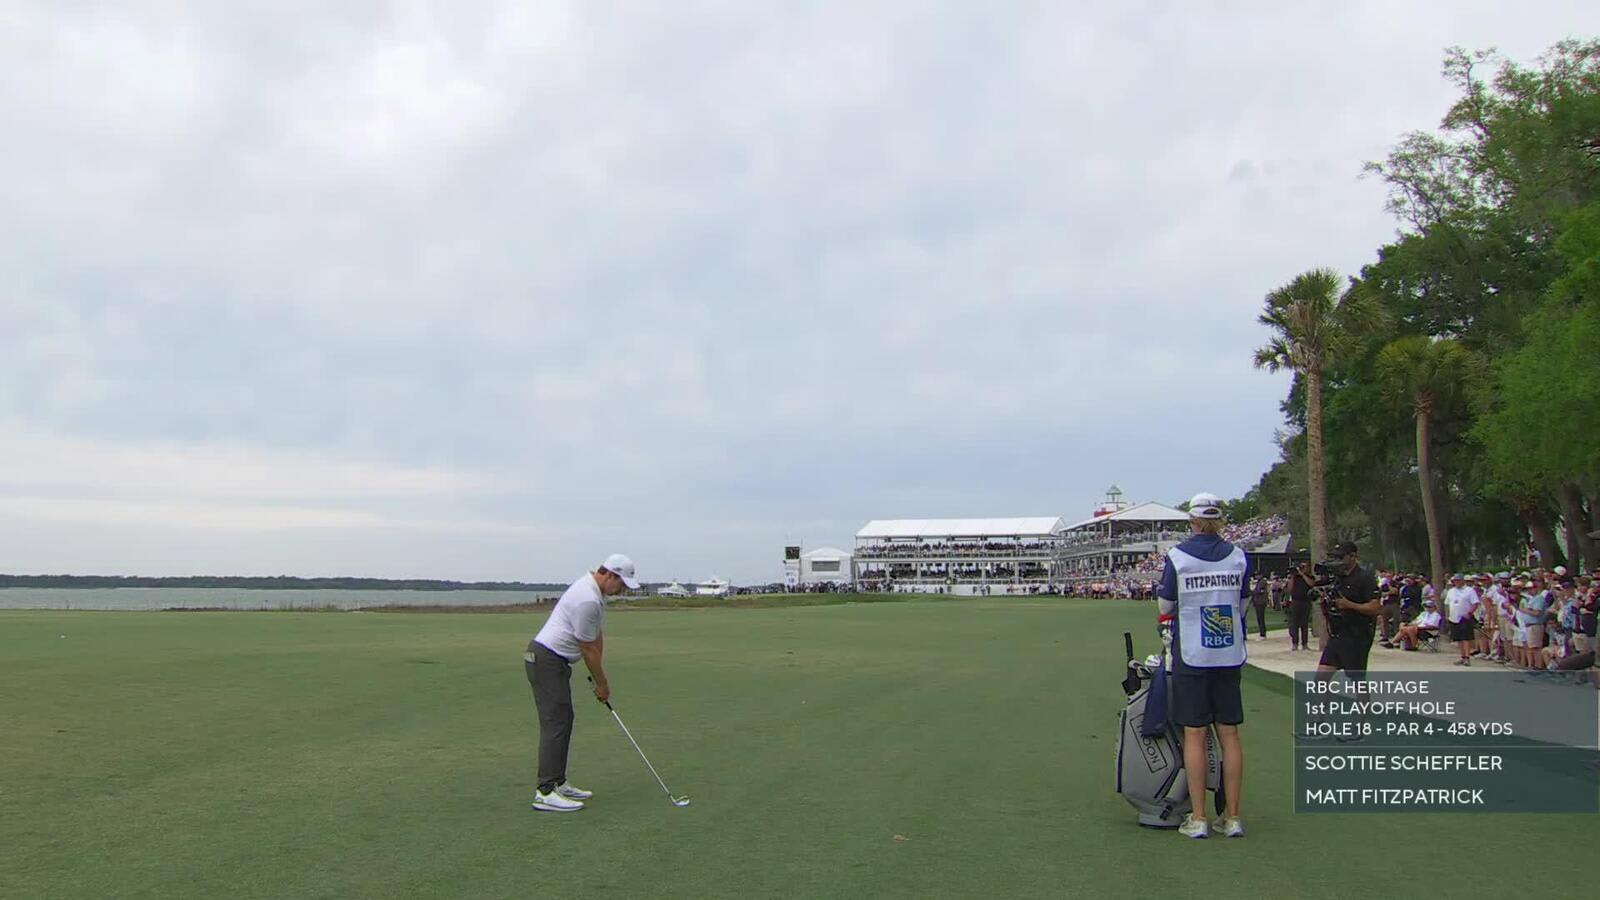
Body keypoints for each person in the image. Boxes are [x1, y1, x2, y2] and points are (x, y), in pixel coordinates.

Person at [1157, 492, 1249, 839]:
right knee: (1230, 733)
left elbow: (1166, 602)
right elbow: (1241, 605)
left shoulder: (1178, 557)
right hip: (1228, 651)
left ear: (1192, 520)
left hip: (1192, 652)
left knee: (1194, 734)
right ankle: (1233, 816)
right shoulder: (1238, 556)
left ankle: (1199, 817)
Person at [525, 553, 640, 813]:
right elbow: (587, 648)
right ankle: (544, 791)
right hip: (545, 660)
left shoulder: (596, 594)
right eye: (621, 584)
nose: (622, 591)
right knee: (556, 723)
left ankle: (558, 782)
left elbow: (596, 637)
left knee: (564, 720)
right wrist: (602, 684)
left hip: (554, 662)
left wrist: (601, 671)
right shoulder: (587, 598)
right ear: (609, 575)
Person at [1316, 541, 1381, 680]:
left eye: (1341, 557)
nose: (1338, 561)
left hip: (1357, 635)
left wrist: (1349, 605)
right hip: (1338, 633)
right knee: (1320, 679)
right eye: (1336, 557)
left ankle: (1364, 703)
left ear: (1353, 556)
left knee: (1357, 681)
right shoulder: (1338, 578)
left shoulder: (1365, 578)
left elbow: (1375, 608)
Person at [1443, 573, 1480, 666]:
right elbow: (1447, 604)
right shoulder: (1451, 591)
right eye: (1455, 581)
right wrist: (1447, 616)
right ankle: (1462, 656)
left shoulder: (1469, 590)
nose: (1457, 582)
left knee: (1465, 638)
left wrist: (1470, 613)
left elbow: (1475, 603)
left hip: (1464, 617)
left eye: (1459, 580)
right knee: (1458, 638)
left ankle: (1467, 657)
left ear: (1463, 581)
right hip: (1454, 617)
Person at [1287, 561, 1314, 651]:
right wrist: (1293, 576)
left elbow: (1311, 584)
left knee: (1304, 624)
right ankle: (1295, 643)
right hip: (1295, 601)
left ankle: (1304, 644)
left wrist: (1303, 575)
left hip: (1305, 602)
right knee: (1294, 624)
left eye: (1305, 567)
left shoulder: (1309, 576)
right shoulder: (1295, 577)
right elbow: (1289, 589)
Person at [1250, 574, 1270, 640]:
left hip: (1260, 602)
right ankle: (1262, 633)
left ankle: (1262, 634)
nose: (1256, 577)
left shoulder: (1262, 582)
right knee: (1260, 618)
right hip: (1258, 602)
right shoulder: (1259, 582)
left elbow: (1258, 591)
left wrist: (1252, 591)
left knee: (1260, 618)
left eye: (1257, 575)